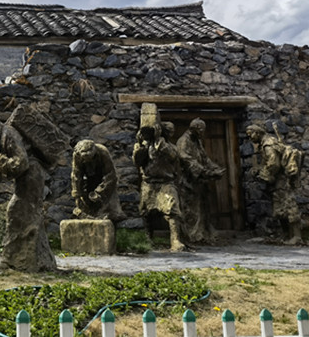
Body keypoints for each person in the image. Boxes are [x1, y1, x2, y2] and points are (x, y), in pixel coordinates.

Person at [0, 102, 61, 272]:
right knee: (28, 215)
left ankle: (17, 259)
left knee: (17, 211)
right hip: (24, 177)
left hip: (32, 175)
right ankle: (36, 260)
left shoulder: (8, 133)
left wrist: (1, 162)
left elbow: (21, 161)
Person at [132, 104, 186, 251]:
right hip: (149, 183)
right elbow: (137, 161)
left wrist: (158, 141)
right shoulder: (143, 146)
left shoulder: (168, 147)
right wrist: (140, 144)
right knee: (146, 212)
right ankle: (148, 239)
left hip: (166, 183)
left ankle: (175, 240)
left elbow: (172, 156)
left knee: (172, 209)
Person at [246, 122, 302, 245]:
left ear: (258, 133)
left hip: (281, 182)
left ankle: (296, 236)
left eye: (251, 134)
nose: (250, 137)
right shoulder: (265, 144)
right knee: (280, 209)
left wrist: (263, 174)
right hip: (277, 182)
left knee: (288, 206)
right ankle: (287, 235)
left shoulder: (268, 144)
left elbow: (273, 164)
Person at [176, 118, 224, 244]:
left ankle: (202, 234)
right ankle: (192, 236)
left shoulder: (197, 141)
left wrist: (215, 168)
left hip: (198, 182)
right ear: (195, 129)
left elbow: (204, 158)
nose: (203, 133)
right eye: (201, 130)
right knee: (190, 211)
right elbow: (186, 159)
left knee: (202, 209)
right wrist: (204, 171)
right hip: (188, 181)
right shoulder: (183, 141)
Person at [70, 139, 125, 227]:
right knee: (86, 200)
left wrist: (99, 191)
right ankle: (89, 213)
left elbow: (111, 175)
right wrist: (77, 194)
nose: (88, 160)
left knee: (109, 204)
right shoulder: (77, 155)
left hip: (103, 176)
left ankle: (110, 213)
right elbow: (76, 175)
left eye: (90, 157)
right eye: (85, 158)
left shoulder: (103, 151)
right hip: (89, 177)